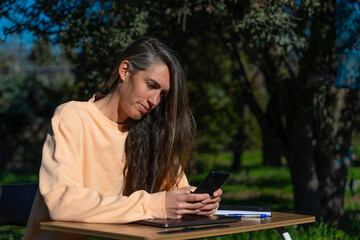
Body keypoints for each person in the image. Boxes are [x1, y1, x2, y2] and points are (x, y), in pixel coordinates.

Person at [24, 36, 223, 240]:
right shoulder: (73, 117)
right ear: (125, 71)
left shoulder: (152, 132)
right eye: (151, 85)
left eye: (162, 94)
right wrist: (153, 205)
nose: (155, 101)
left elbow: (175, 190)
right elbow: (63, 203)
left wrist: (196, 200)